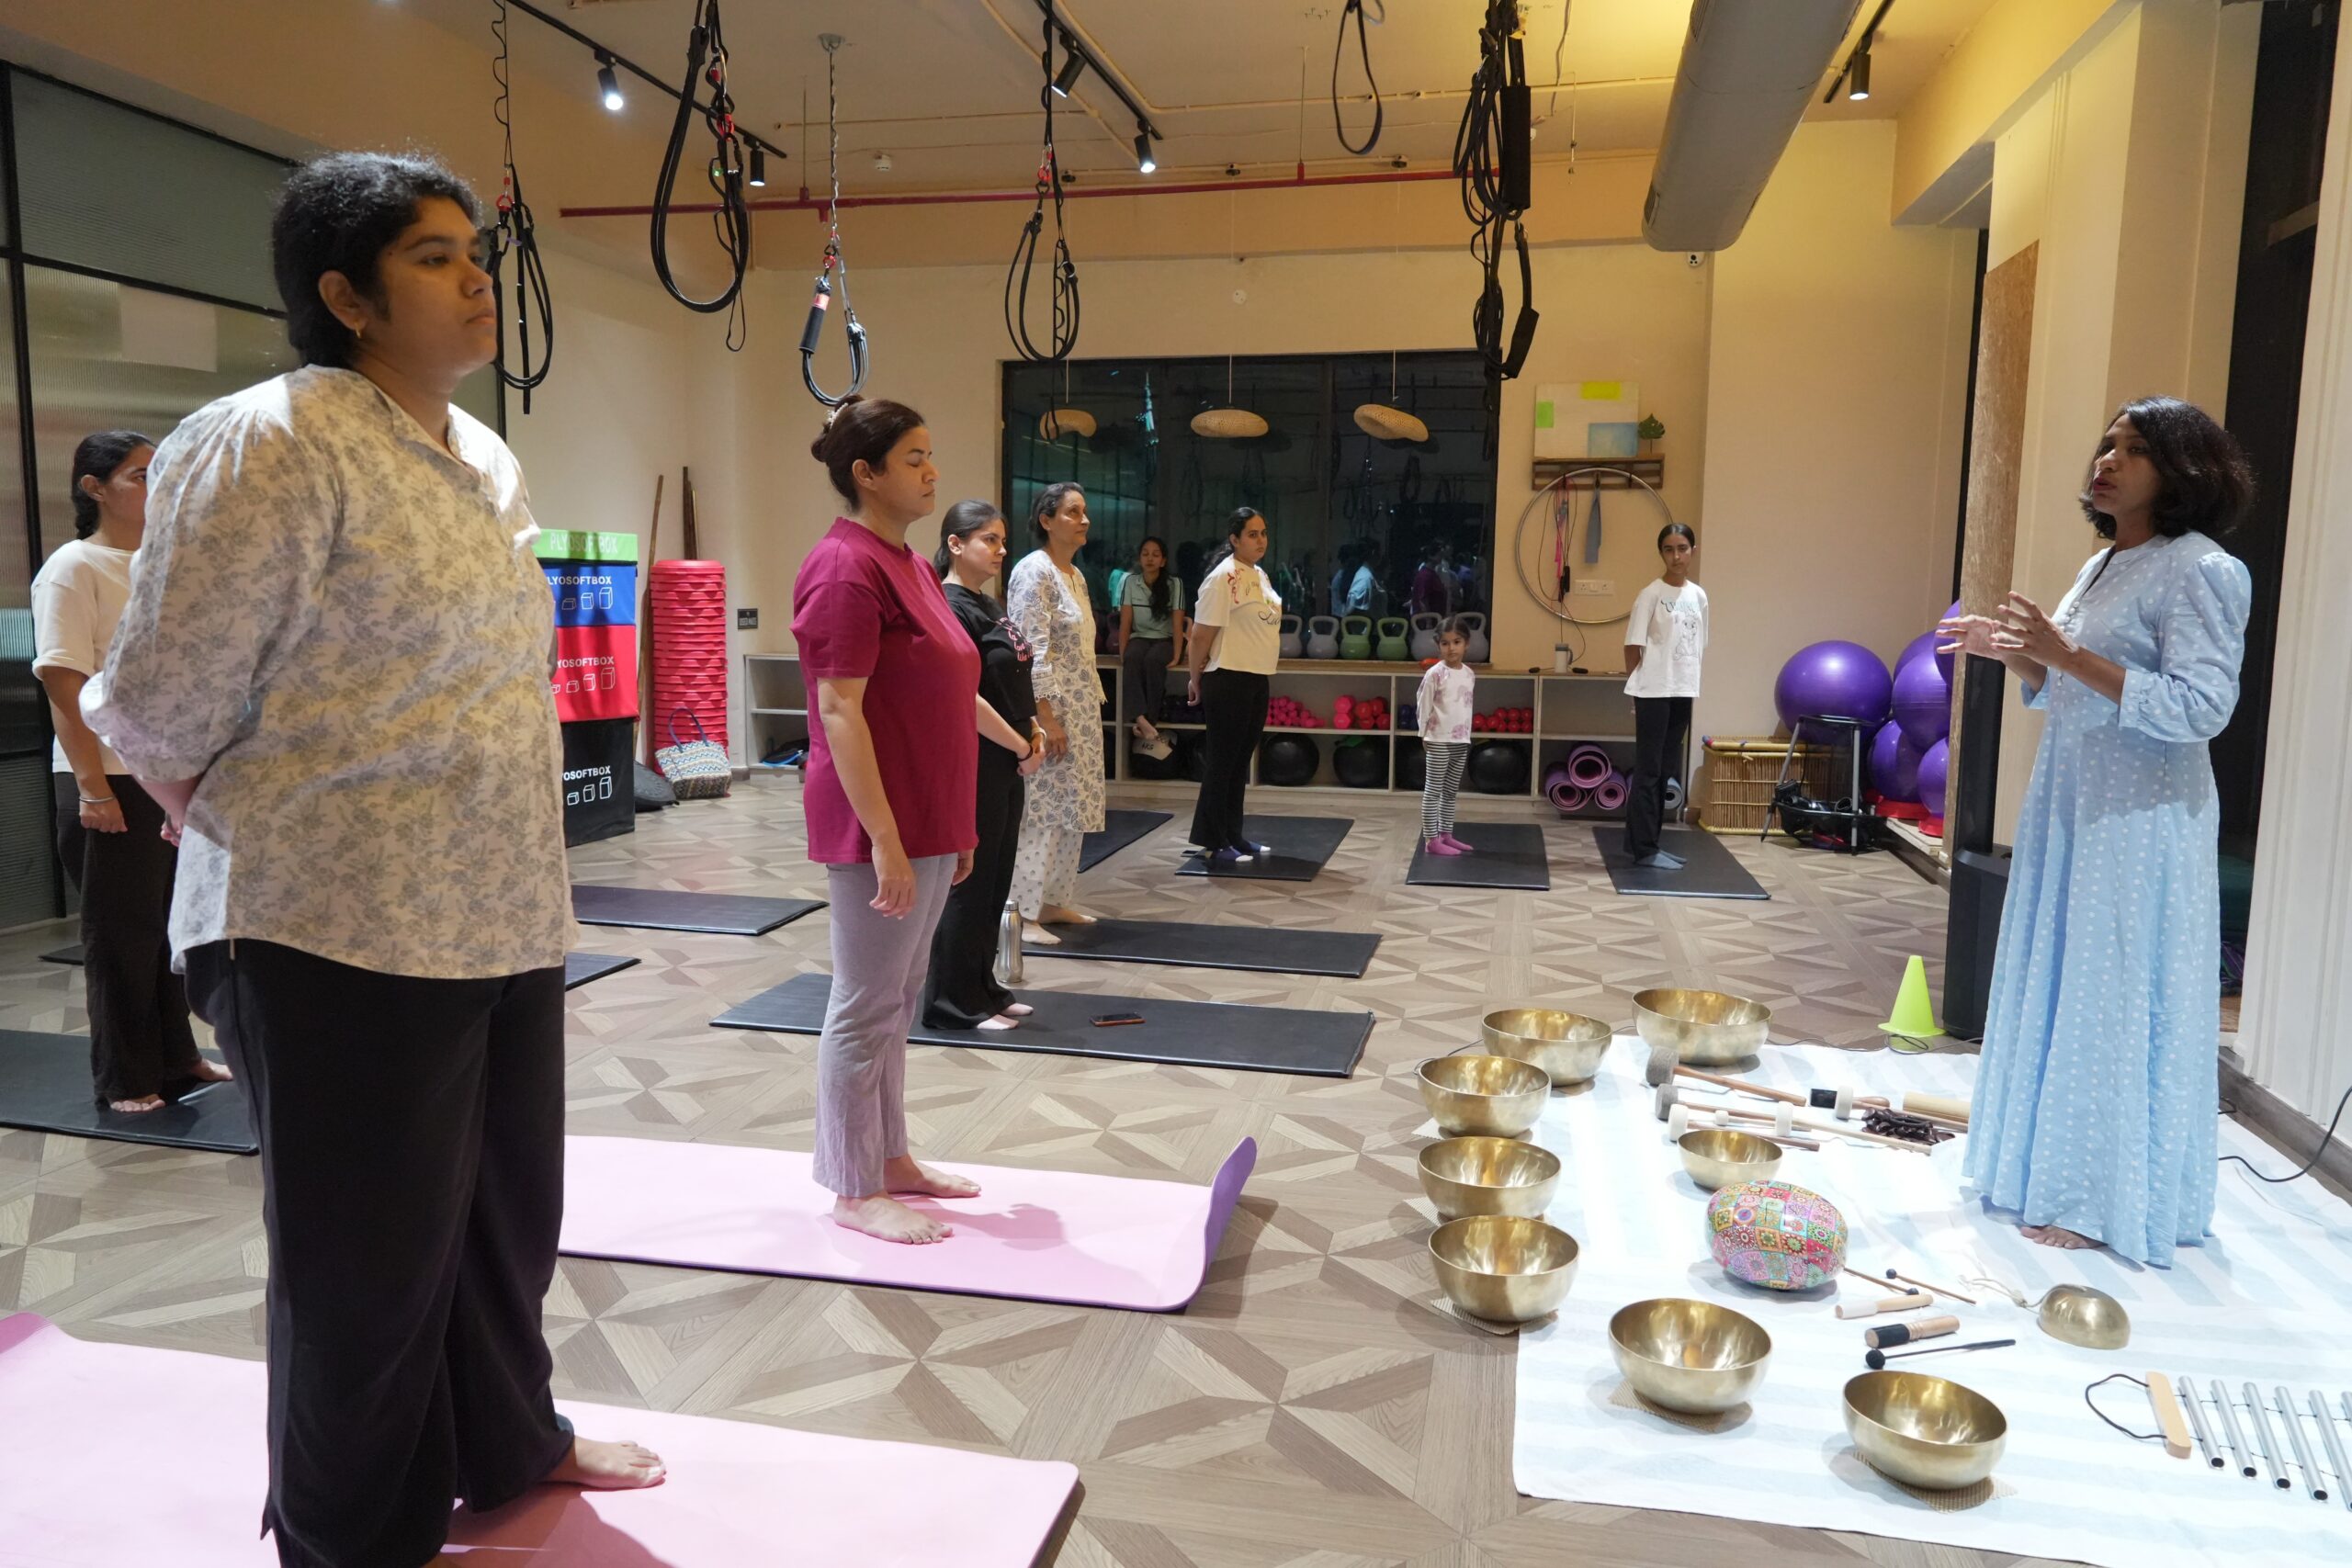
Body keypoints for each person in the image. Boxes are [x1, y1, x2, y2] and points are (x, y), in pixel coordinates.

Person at [80, 151, 662, 1568]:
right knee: (366, 1275)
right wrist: (211, 803)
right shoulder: (268, 439)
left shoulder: (483, 455)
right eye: (433, 256)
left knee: (504, 1222)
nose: (475, 280)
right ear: (346, 296)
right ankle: (351, 1537)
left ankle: (506, 1437)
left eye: (477, 252)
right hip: (332, 921)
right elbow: (154, 695)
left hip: (501, 904)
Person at [1939, 396, 2254, 1264]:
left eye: (2135, 448)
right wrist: (2012, 652)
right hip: (2073, 801)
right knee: (2061, 976)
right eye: (2108, 443)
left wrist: (2064, 653)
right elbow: (2072, 686)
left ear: (2183, 469)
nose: (2107, 460)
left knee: (2109, 988)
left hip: (2142, 820)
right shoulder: (2103, 564)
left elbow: (2203, 707)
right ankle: (2039, 1164)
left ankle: (2097, 1195)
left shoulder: (2203, 568)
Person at [797, 398, 1034, 1243]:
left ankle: (889, 1156)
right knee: (865, 1004)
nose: (933, 472)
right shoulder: (842, 567)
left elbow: (950, 691)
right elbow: (839, 709)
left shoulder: (910, 567)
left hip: (930, 816)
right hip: (878, 824)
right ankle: (853, 1186)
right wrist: (887, 839)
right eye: (914, 458)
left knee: (898, 997)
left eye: (932, 455)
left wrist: (960, 819)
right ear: (866, 473)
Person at [32, 430, 225, 1114]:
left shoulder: (159, 562)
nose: (156, 487)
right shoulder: (73, 566)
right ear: (95, 488)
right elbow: (63, 680)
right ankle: (125, 1077)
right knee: (120, 937)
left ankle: (177, 1056)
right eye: (141, 475)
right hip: (107, 777)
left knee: (168, 927)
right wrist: (91, 787)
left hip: (162, 773)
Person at [920, 501, 1046, 1032]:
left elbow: (1010, 678)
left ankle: (984, 988)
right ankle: (952, 1001)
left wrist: (1033, 729)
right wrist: (1020, 744)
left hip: (1007, 756)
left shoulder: (987, 604)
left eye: (1001, 540)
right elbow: (962, 697)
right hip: (976, 756)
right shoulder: (948, 606)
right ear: (955, 544)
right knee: (968, 883)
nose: (1000, 550)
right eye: (988, 540)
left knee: (995, 876)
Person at [1007, 483, 1106, 944]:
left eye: (1084, 512)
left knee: (1074, 807)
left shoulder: (1075, 575)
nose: (1083, 520)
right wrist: (1046, 718)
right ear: (1046, 520)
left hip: (1082, 706)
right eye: (1072, 512)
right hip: (1052, 709)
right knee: (1043, 809)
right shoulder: (1034, 571)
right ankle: (1022, 912)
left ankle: (1052, 900)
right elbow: (1032, 650)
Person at [1185, 507, 1283, 863]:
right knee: (1222, 761)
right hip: (1227, 677)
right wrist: (1195, 677)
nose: (1261, 540)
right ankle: (1214, 840)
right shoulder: (1222, 577)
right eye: (1252, 534)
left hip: (1256, 676)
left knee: (1240, 761)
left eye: (1263, 533)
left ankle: (1234, 835)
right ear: (1234, 539)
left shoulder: (1259, 574)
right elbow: (1200, 635)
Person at [1623, 523, 1708, 870]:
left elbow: (1699, 644)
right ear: (1661, 553)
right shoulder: (1651, 594)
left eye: (1682, 548)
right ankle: (1644, 849)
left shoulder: (1698, 596)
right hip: (1653, 691)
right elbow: (1632, 645)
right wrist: (1636, 690)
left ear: (1692, 551)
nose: (1676, 556)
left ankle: (1648, 842)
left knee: (1665, 769)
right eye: (1669, 549)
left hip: (1683, 690)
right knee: (1649, 770)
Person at [1119, 535, 1186, 756]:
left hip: (1166, 639)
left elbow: (1177, 623)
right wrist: (1123, 653)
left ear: (1163, 561)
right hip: (1140, 637)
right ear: (1139, 558)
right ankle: (1140, 718)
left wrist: (1177, 655)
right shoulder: (1131, 582)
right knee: (1133, 657)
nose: (1150, 559)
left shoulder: (1174, 584)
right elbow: (1125, 622)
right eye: (1145, 554)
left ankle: (1150, 720)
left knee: (1153, 660)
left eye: (1156, 555)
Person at [1416, 617, 1477, 856]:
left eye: (1456, 642)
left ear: (1466, 644)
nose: (1451, 648)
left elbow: (1464, 707)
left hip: (1460, 740)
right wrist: (1424, 734)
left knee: (1450, 791)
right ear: (1438, 645)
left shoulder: (1469, 674)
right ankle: (1431, 840)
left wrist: (1466, 735)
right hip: (1438, 738)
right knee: (1433, 791)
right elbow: (1423, 703)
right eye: (1445, 643)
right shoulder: (1435, 674)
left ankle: (1446, 835)